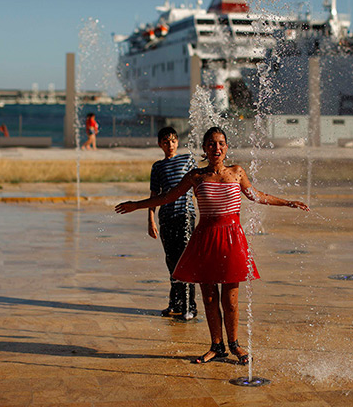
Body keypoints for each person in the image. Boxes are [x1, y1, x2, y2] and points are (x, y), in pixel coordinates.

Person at [116, 127, 309, 365]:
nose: (216, 148)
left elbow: (257, 195)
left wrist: (288, 202)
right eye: (211, 144)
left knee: (230, 300)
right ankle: (216, 345)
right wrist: (138, 205)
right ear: (205, 148)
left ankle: (235, 345)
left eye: (221, 143)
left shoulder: (237, 173)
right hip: (205, 240)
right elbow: (167, 197)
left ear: (226, 147)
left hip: (232, 241)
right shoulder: (196, 176)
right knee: (209, 298)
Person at [148, 127, 198, 319]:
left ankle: (190, 306)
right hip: (166, 218)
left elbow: (197, 186)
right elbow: (154, 196)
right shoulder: (157, 167)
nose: (170, 145)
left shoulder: (187, 160)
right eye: (166, 142)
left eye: (173, 141)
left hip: (185, 216)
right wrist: (151, 219)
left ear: (178, 142)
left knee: (187, 261)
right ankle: (176, 303)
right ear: (160, 144)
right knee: (171, 261)